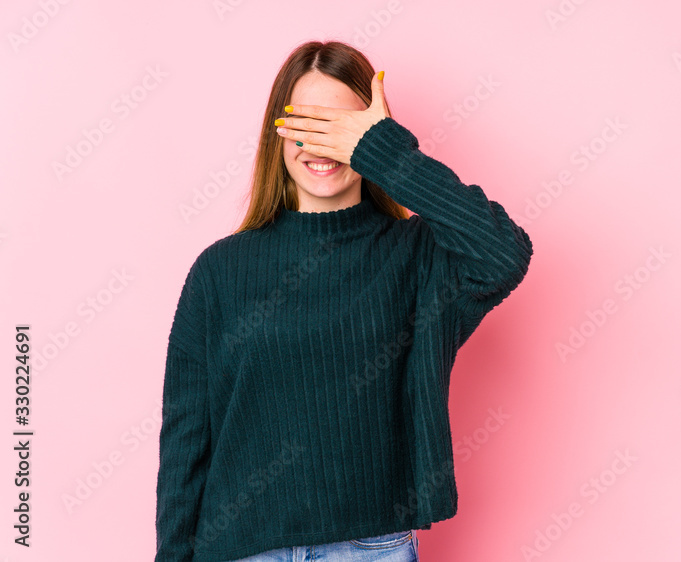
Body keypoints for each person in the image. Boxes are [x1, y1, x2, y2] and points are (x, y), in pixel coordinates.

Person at [154, 40, 533, 562]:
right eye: (306, 124)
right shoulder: (219, 270)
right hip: (242, 551)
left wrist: (388, 152)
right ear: (276, 135)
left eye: (341, 128)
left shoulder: (418, 255)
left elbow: (503, 253)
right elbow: (185, 440)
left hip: (371, 548)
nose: (321, 143)